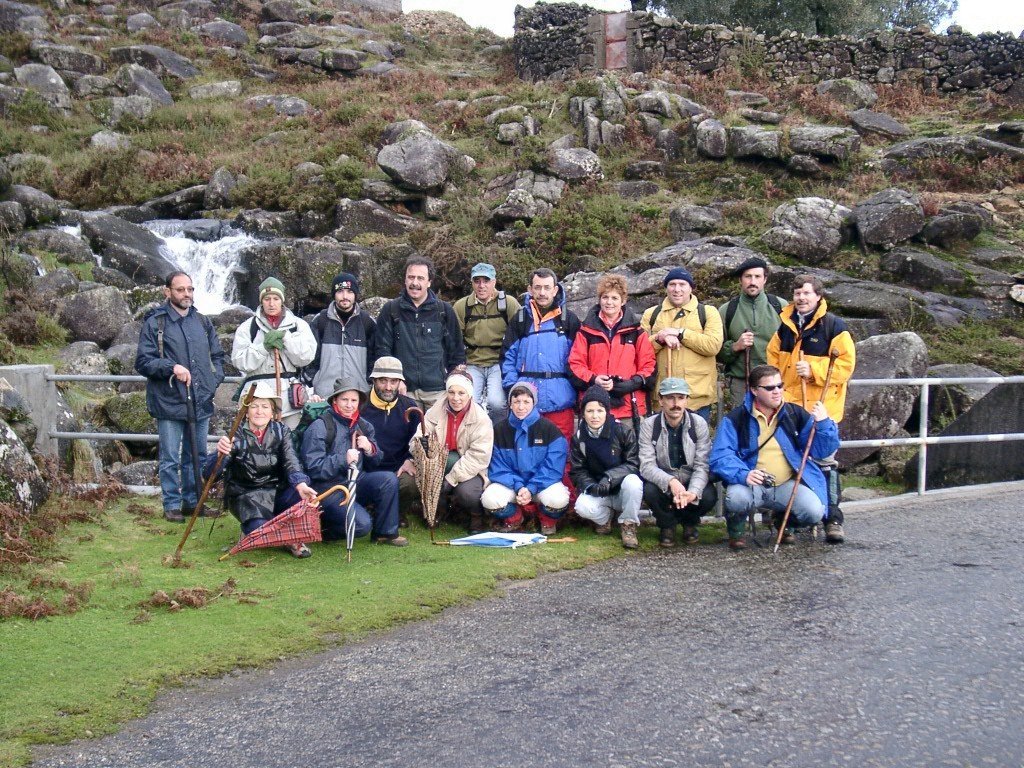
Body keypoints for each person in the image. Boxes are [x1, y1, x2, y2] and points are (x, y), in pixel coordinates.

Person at [709, 365, 839, 550]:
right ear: (754, 390)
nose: (777, 391)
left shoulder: (795, 414)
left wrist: (824, 423)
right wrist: (743, 474)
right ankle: (736, 531)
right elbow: (721, 455)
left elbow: (821, 451)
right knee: (736, 498)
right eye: (770, 388)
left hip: (787, 484)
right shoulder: (736, 418)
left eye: (780, 385)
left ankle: (784, 523)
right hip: (750, 485)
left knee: (814, 512)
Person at [766, 274, 856, 543]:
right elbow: (771, 362)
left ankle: (832, 519)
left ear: (818, 296)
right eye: (797, 293)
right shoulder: (784, 326)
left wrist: (814, 369)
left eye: (806, 293)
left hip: (820, 408)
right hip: (790, 409)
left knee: (825, 463)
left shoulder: (834, 327)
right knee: (791, 464)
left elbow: (845, 367)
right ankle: (791, 521)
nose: (801, 298)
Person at [135, 271, 225, 523]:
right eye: (181, 290)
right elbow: (143, 362)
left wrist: (212, 381)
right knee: (170, 457)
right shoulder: (156, 323)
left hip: (200, 400)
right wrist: (171, 367)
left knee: (197, 454)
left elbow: (218, 356)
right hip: (168, 400)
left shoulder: (203, 322)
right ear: (168, 292)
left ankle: (193, 503)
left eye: (190, 289)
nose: (187, 294)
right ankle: (172, 504)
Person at [206, 381, 319, 558]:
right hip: (246, 495)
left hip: (277, 490)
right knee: (258, 530)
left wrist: (300, 484)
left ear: (273, 411)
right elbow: (209, 474)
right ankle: (261, 531)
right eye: (254, 406)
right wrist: (219, 454)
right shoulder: (235, 435)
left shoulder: (282, 431)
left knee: (301, 496)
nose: (260, 411)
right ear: (245, 412)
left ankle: (291, 538)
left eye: (265, 406)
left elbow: (291, 461)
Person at [300, 375, 407, 547]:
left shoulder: (364, 426)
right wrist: (343, 459)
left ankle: (385, 533)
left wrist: (370, 449)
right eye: (344, 399)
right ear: (335, 400)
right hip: (329, 489)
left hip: (356, 481)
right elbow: (313, 468)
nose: (349, 405)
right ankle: (322, 529)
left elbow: (376, 462)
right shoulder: (320, 426)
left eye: (354, 400)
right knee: (361, 525)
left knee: (388, 479)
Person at [501, 268, 581, 447]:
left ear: (555, 290)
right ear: (530, 289)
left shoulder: (568, 319)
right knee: (526, 449)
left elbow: (580, 359)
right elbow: (508, 357)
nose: (542, 293)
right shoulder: (520, 319)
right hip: (527, 401)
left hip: (561, 400)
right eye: (538, 288)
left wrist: (578, 390)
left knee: (562, 449)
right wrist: (513, 389)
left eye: (547, 288)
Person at [375, 255, 465, 410]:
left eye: (420, 278)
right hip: (403, 391)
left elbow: (456, 352)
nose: (414, 283)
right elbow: (382, 351)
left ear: (429, 282)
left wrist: (452, 383)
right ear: (405, 280)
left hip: (437, 391)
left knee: (437, 435)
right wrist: (395, 381)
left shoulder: (444, 311)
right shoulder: (391, 310)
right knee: (406, 435)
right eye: (410, 277)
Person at [568, 274, 656, 430]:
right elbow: (575, 364)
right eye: (605, 297)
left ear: (623, 301)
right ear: (599, 299)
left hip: (629, 408)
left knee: (629, 454)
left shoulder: (637, 331)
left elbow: (649, 365)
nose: (609, 302)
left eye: (615, 298)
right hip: (594, 409)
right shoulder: (586, 331)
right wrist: (594, 379)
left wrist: (632, 383)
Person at [411, 370, 494, 534]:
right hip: (439, 463)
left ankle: (476, 516)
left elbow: (478, 457)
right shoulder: (435, 410)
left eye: (461, 393)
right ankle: (438, 510)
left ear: (469, 394)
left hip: (468, 466)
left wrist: (451, 479)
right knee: (420, 481)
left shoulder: (481, 419)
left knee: (468, 493)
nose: (456, 398)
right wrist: (421, 446)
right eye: (451, 392)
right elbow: (416, 439)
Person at [638, 378, 717, 547]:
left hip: (690, 478)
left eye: (681, 398)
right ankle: (667, 526)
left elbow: (702, 464)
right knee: (650, 490)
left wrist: (693, 492)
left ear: (687, 399)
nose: (676, 404)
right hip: (664, 480)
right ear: (660, 400)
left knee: (709, 495)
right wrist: (670, 481)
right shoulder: (649, 425)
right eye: (670, 398)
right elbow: (646, 466)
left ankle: (690, 523)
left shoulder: (699, 424)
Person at [482, 382, 570, 535]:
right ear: (510, 404)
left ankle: (546, 520)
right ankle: (515, 518)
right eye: (516, 402)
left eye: (526, 402)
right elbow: (498, 466)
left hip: (542, 485)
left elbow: (554, 466)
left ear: (534, 403)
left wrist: (531, 488)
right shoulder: (499, 430)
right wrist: (518, 486)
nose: (521, 407)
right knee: (489, 499)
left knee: (559, 500)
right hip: (513, 486)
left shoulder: (549, 429)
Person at [231, 277, 317, 428]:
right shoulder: (247, 328)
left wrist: (286, 339)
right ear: (261, 301)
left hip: (289, 401)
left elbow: (306, 357)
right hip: (257, 401)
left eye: (276, 298)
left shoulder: (298, 326)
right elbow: (239, 361)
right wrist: (263, 347)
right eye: (267, 299)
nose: (271, 303)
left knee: (289, 445)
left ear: (282, 300)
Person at [641, 267, 723, 421]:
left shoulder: (708, 312)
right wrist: (660, 338)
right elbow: (640, 351)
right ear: (666, 288)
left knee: (697, 443)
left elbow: (713, 345)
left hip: (696, 396)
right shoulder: (651, 314)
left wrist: (681, 333)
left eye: (682, 284)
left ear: (691, 287)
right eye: (672, 284)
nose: (677, 289)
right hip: (662, 396)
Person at [569, 386, 643, 549]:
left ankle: (628, 524)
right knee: (582, 506)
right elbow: (577, 470)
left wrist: (609, 478)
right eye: (590, 411)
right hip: (599, 490)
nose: (595, 416)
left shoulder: (623, 431)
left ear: (607, 411)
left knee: (634, 482)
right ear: (583, 413)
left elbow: (633, 464)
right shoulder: (579, 437)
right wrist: (591, 486)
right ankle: (605, 520)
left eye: (600, 410)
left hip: (621, 489)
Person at [452, 262, 522, 425]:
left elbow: (521, 332)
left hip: (499, 362)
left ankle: (497, 436)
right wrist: (457, 366)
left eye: (486, 280)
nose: (481, 285)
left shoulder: (509, 304)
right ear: (472, 283)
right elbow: (455, 340)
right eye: (477, 281)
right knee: (469, 403)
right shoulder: (462, 306)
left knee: (497, 403)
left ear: (494, 282)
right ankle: (474, 436)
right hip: (472, 362)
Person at [717, 257, 788, 407]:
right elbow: (717, 351)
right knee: (743, 427)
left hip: (774, 383)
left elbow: (791, 346)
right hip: (741, 383)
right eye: (748, 277)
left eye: (757, 276)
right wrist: (735, 346)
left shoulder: (780, 306)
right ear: (740, 280)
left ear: (765, 279)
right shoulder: (727, 310)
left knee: (774, 427)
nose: (752, 281)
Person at [361, 356, 422, 525]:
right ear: (373, 380)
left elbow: (418, 443)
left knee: (410, 482)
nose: (388, 387)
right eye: (383, 381)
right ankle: (370, 507)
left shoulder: (411, 407)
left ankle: (397, 513)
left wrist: (411, 460)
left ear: (400, 382)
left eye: (393, 381)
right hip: (366, 469)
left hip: (398, 469)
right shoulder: (360, 406)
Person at [304, 272, 377, 400]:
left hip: (358, 396)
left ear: (355, 294)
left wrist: (369, 382)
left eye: (349, 292)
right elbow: (309, 358)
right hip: (325, 395)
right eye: (340, 292)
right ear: (334, 295)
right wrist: (314, 380)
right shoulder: (320, 320)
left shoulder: (367, 322)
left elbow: (375, 357)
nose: (345, 296)